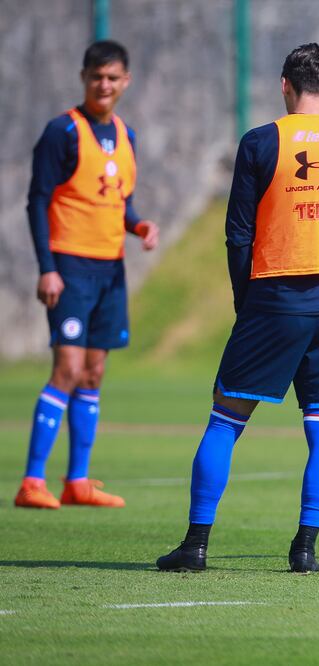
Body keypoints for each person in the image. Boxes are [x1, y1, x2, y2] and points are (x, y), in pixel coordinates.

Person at [156, 43, 319, 574]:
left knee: (225, 417)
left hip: (274, 298)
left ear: (284, 85)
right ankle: (305, 549)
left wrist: (244, 303)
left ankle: (196, 544)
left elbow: (237, 235)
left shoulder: (260, 142)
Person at [16, 40, 159, 510]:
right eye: (97, 76)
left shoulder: (126, 135)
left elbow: (120, 203)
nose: (104, 84)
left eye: (113, 77)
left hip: (110, 269)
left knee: (94, 373)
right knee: (68, 369)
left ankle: (77, 481)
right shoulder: (63, 132)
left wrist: (138, 225)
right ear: (84, 78)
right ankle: (32, 481)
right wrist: (48, 269)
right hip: (70, 267)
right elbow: (38, 200)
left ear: (126, 81)